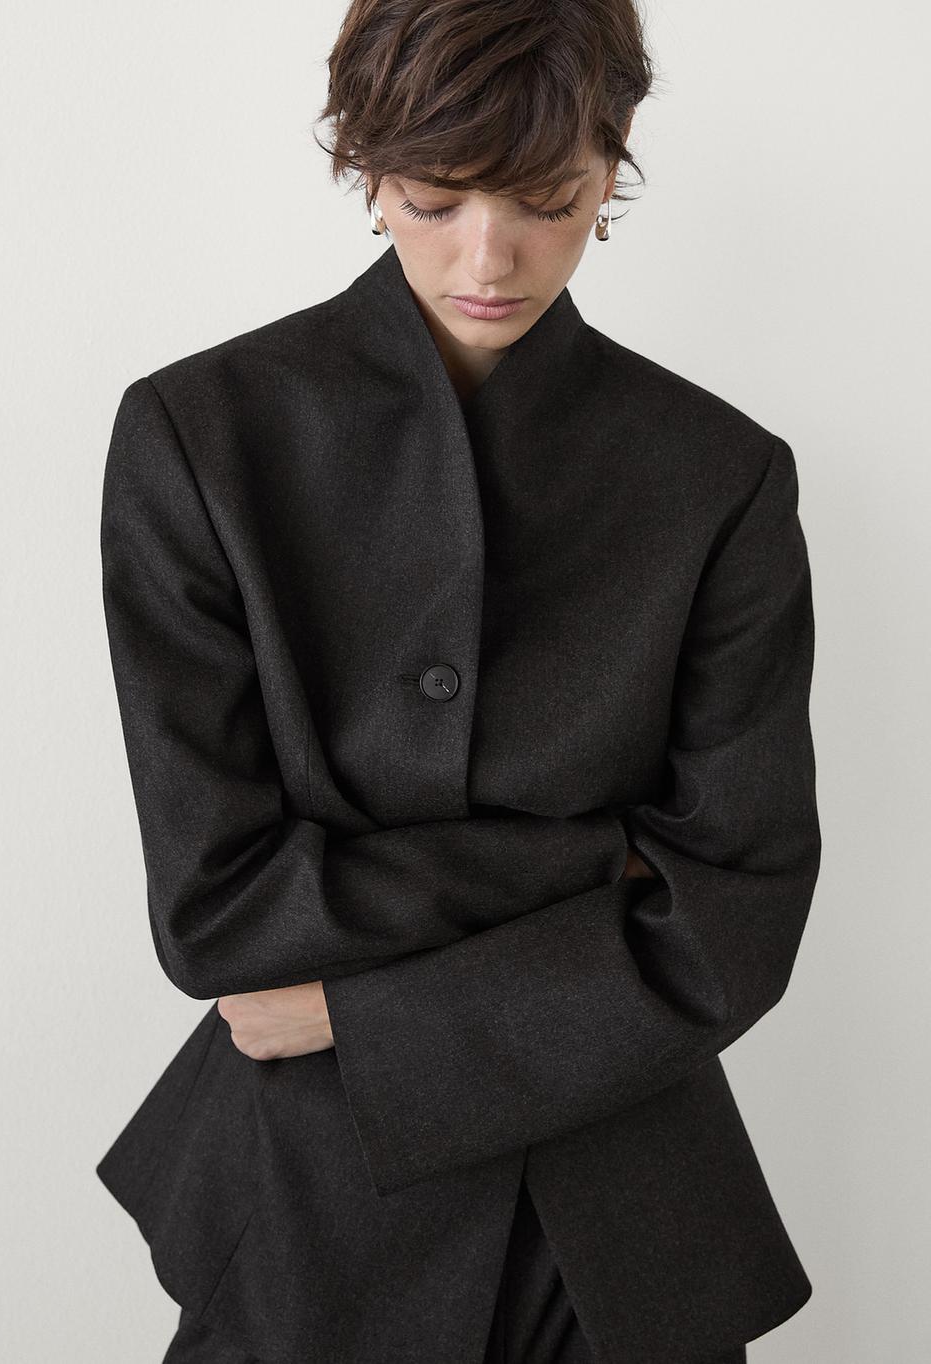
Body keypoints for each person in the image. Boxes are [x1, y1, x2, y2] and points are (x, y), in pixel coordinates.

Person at [96, 2, 821, 1361]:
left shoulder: (719, 477)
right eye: (435, 200)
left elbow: (740, 908)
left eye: (548, 200)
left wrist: (357, 1013)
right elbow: (217, 913)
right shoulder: (200, 437)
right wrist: (593, 860)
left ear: (613, 164)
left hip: (618, 1231)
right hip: (301, 1207)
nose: (488, 257)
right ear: (365, 169)